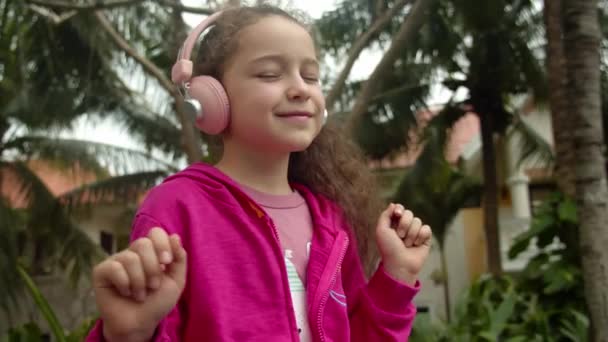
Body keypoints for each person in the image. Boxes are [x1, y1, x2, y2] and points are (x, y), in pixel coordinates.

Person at [86, 4, 432, 342]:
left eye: (311, 76)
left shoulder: (331, 219)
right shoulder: (178, 206)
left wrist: (398, 274)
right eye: (269, 73)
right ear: (211, 98)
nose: (300, 88)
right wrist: (129, 335)